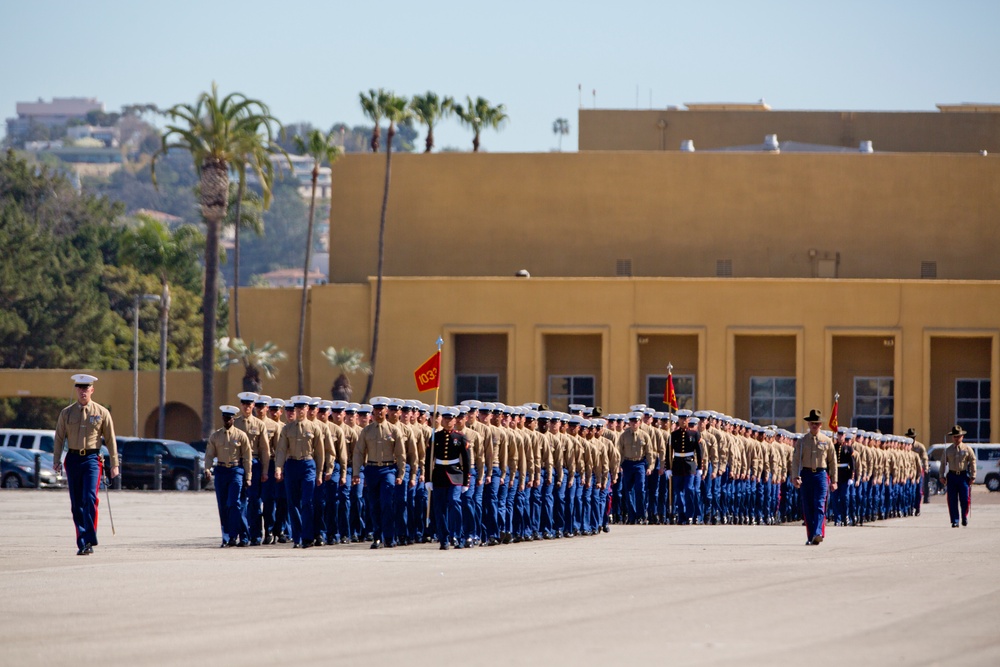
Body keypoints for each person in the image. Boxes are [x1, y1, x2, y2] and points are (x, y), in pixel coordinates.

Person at [53, 374, 120, 556]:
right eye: (80, 388)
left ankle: (90, 538)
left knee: (90, 498)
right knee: (76, 504)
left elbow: (111, 439)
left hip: (92, 460)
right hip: (73, 459)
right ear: (76, 389)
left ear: (92, 390)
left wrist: (115, 464)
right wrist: (56, 460)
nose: (83, 391)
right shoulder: (66, 413)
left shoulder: (101, 412)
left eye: (86, 388)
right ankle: (82, 542)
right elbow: (59, 438)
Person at [274, 396, 324, 548]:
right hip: (292, 465)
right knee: (293, 503)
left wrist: (320, 473)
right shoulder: (287, 429)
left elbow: (320, 452)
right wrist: (278, 468)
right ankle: (297, 537)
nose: (300, 411)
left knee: (308, 502)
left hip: (308, 464)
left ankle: (308, 536)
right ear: (295, 410)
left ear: (307, 409)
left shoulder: (314, 428)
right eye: (298, 408)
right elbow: (281, 450)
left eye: (303, 408)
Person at [205, 405, 253, 547]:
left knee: (234, 503)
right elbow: (209, 455)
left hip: (235, 471)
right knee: (223, 505)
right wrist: (207, 469)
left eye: (230, 418)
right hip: (221, 471)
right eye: (225, 418)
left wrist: (248, 477)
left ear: (233, 419)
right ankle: (226, 537)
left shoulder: (241, 435)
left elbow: (247, 457)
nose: (227, 421)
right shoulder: (216, 436)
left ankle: (236, 535)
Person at [425, 407, 470, 550]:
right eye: (445, 418)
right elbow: (428, 459)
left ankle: (456, 535)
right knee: (439, 508)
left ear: (455, 420)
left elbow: (467, 460)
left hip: (455, 475)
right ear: (441, 420)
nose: (448, 421)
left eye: (450, 419)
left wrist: (466, 481)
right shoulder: (435, 437)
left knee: (454, 502)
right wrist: (428, 479)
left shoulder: (460, 437)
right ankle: (443, 538)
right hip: (438, 475)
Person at [791, 409, 837, 545]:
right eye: (812, 423)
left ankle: (817, 532)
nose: (814, 426)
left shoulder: (827, 441)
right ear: (809, 424)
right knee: (808, 507)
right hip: (806, 475)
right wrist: (795, 477)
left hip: (821, 475)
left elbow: (832, 462)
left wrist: (834, 480)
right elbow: (796, 461)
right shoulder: (802, 441)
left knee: (819, 504)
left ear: (821, 425)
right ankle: (811, 535)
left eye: (817, 423)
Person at [941, 425, 976, 527]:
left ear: (962, 437)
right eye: (955, 437)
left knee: (965, 499)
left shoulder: (967, 449)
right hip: (952, 476)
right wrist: (941, 476)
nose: (956, 439)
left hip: (963, 476)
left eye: (958, 436)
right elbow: (943, 463)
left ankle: (964, 517)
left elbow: (973, 461)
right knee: (952, 499)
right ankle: (955, 520)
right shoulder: (948, 450)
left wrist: (973, 476)